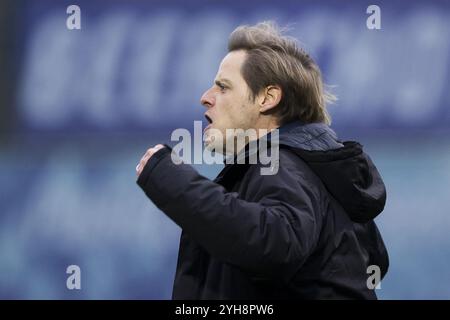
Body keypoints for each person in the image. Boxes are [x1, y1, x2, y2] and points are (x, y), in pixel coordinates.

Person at [136, 21, 388, 299]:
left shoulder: (283, 165)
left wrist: (170, 177)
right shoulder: (302, 170)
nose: (205, 98)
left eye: (223, 87)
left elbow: (278, 244)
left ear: (267, 98)